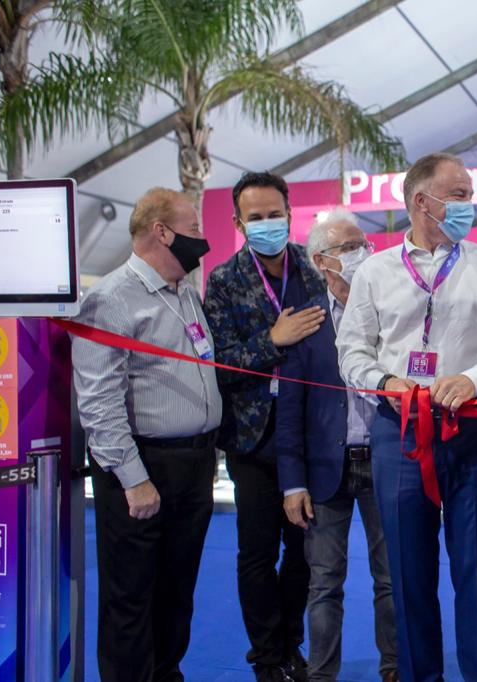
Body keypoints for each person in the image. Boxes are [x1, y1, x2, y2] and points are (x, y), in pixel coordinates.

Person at [336, 152, 477, 682]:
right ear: (422, 202)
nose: (471, 205)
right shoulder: (375, 271)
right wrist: (385, 382)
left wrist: (476, 379)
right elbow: (352, 351)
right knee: (407, 572)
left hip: (473, 432)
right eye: (461, 194)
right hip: (398, 432)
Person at [73, 187, 222, 682]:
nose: (202, 238)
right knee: (131, 598)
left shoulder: (183, 289)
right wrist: (133, 478)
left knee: (177, 592)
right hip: (143, 467)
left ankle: (166, 673)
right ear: (162, 231)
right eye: (195, 228)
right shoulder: (111, 298)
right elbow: (99, 401)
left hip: (194, 463)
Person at [204, 171, 325, 682]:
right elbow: (220, 364)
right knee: (257, 553)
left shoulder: (312, 269)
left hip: (311, 433)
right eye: (256, 218)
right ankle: (266, 656)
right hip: (253, 439)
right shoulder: (224, 280)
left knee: (304, 553)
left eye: (275, 214)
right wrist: (272, 339)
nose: (267, 224)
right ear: (238, 222)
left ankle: (293, 644)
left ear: (290, 214)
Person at [275, 209, 398, 682]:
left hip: (385, 460)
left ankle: (395, 667)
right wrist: (292, 484)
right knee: (324, 582)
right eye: (346, 248)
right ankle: (322, 675)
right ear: (321, 261)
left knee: (390, 579)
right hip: (326, 469)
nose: (359, 253)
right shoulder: (306, 320)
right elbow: (290, 411)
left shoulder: (391, 308)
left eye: (360, 243)